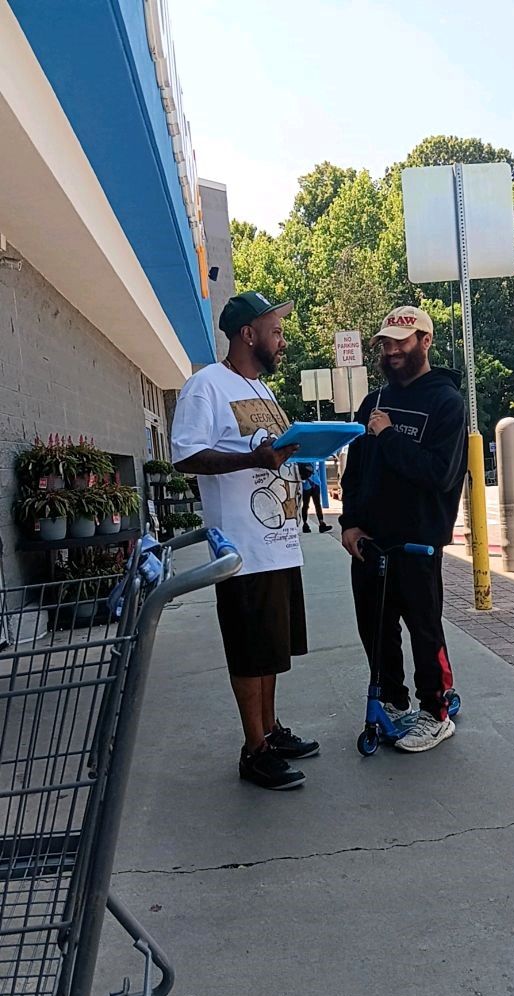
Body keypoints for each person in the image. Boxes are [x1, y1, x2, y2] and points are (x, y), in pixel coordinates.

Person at [171, 291, 320, 790]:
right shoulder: (205, 387)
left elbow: (270, 452)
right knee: (248, 650)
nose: (282, 340)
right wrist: (253, 460)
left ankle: (271, 731)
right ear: (247, 335)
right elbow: (187, 456)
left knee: (271, 648)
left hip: (277, 541)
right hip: (240, 548)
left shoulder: (264, 392)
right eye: (274, 331)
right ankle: (253, 749)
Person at [340, 306, 467, 753]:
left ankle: (436, 712)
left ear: (425, 341)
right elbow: (354, 468)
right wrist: (349, 521)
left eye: (402, 341)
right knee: (375, 629)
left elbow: (441, 475)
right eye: (386, 343)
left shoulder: (446, 402)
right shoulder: (373, 401)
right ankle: (393, 703)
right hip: (371, 542)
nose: (392, 351)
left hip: (419, 541)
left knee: (424, 629)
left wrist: (390, 436)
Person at [299, 463, 332, 533]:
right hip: (306, 484)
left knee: (317, 504)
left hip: (316, 482)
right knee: (305, 505)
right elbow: (301, 469)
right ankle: (305, 524)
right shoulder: (303, 457)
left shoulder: (315, 457)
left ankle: (321, 523)